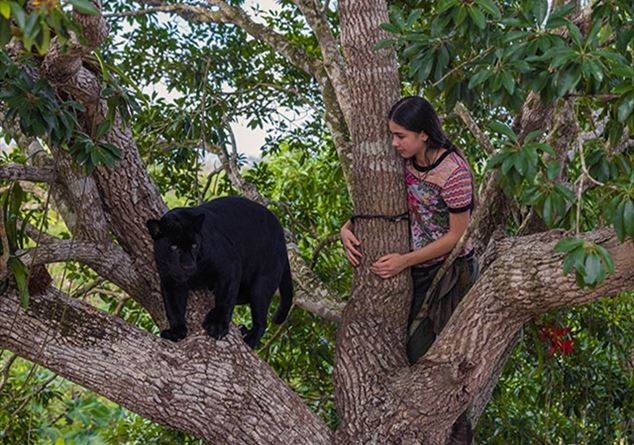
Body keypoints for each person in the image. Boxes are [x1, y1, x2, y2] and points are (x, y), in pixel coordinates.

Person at [340, 96, 480, 443]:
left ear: (424, 134)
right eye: (392, 135)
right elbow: (384, 204)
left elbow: (457, 237)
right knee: (409, 350)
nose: (394, 143)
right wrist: (348, 227)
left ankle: (459, 428)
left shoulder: (454, 172)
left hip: (452, 269)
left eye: (401, 136)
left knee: (442, 356)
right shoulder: (404, 162)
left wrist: (403, 261)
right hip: (418, 265)